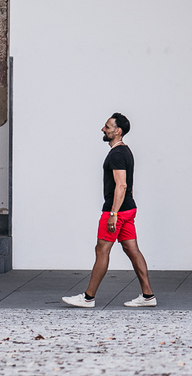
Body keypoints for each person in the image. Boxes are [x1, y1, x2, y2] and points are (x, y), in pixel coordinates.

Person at [62, 113, 157, 309]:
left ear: (118, 131)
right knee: (132, 250)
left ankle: (88, 298)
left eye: (107, 126)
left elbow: (121, 186)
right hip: (128, 209)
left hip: (117, 211)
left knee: (102, 250)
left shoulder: (117, 154)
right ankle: (148, 295)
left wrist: (113, 214)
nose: (103, 129)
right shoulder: (125, 151)